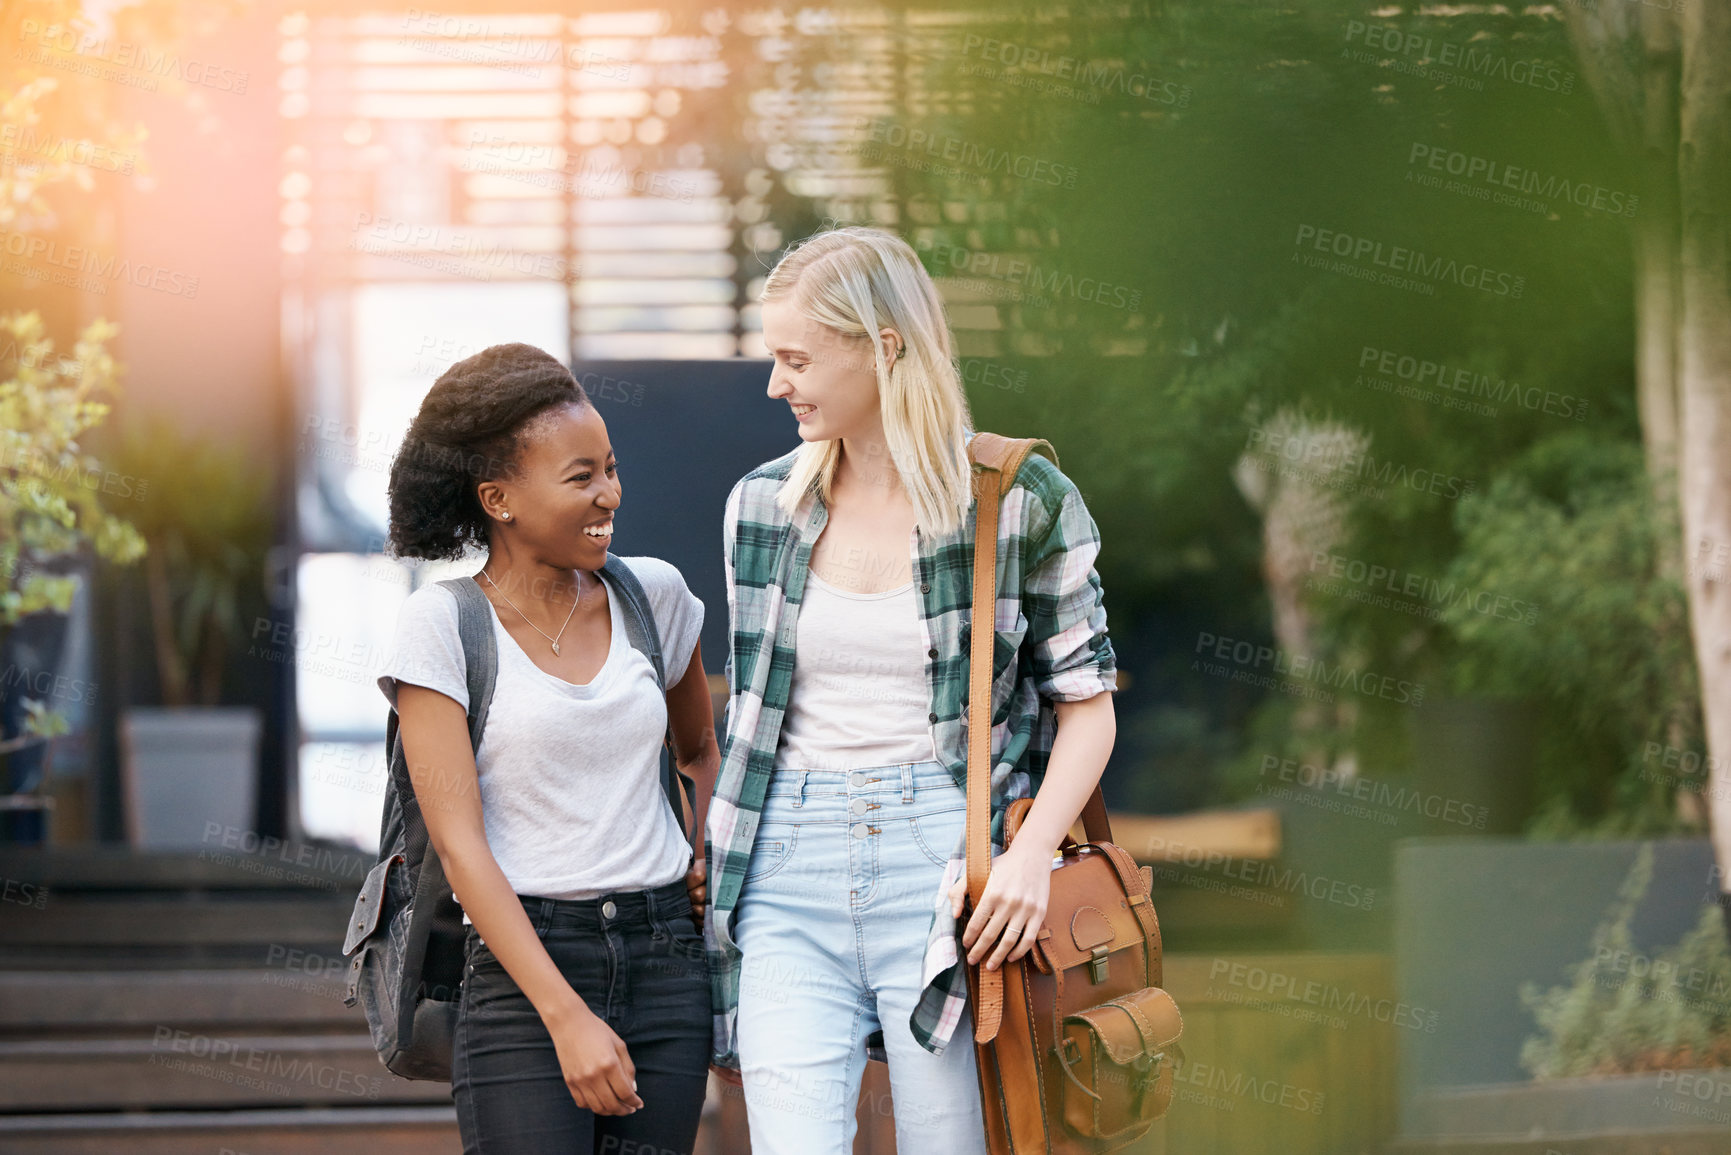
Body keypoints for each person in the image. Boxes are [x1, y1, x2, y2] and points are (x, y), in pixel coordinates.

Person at [704, 228, 1119, 1154]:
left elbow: (1087, 704)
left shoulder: (1016, 500)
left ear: (884, 346)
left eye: (797, 358)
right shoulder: (760, 507)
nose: (776, 384)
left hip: (947, 873)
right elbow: (751, 721)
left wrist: (1026, 859)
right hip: (783, 869)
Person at [379, 343, 718, 1155]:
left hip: (665, 954)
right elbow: (461, 849)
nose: (610, 494)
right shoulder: (443, 627)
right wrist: (566, 1015)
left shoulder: (653, 596)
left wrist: (701, 849)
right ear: (498, 498)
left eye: (610, 467)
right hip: (524, 971)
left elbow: (699, 748)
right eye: (580, 477)